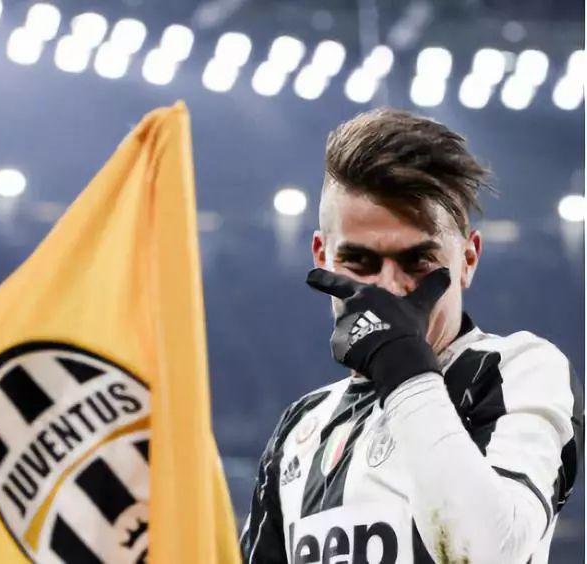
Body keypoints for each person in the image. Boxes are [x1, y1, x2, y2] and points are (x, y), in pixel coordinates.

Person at [240, 108, 584, 564]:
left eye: (418, 261)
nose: (389, 287)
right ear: (322, 257)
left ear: (468, 260)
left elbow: (487, 555)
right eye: (359, 261)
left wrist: (404, 370)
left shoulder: (518, 371)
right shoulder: (300, 428)